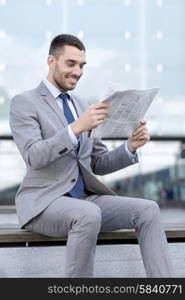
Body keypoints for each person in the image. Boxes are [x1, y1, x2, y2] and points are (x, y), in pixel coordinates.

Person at [9, 34, 173, 278]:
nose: (78, 71)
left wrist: (130, 147)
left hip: (85, 201)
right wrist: (76, 128)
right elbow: (34, 156)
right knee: (87, 214)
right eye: (71, 64)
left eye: (82, 65)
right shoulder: (25, 103)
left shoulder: (81, 104)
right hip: (43, 203)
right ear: (51, 61)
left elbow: (97, 162)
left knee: (148, 209)